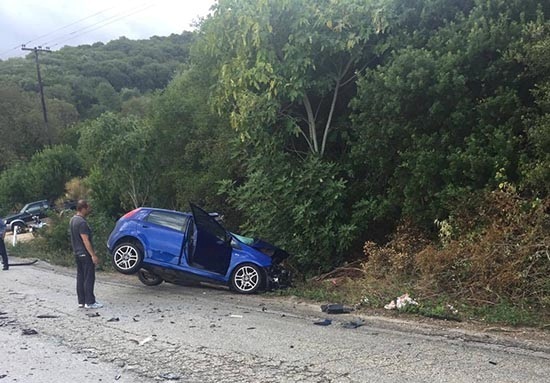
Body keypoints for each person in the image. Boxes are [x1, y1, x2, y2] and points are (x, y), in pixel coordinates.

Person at [69, 200, 103, 309]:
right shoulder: (82, 223)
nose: (89, 209)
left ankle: (81, 301)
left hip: (77, 253)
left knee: (80, 277)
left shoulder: (73, 220)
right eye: (88, 208)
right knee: (89, 277)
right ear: (83, 208)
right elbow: (85, 240)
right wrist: (93, 255)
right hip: (85, 253)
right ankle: (90, 302)